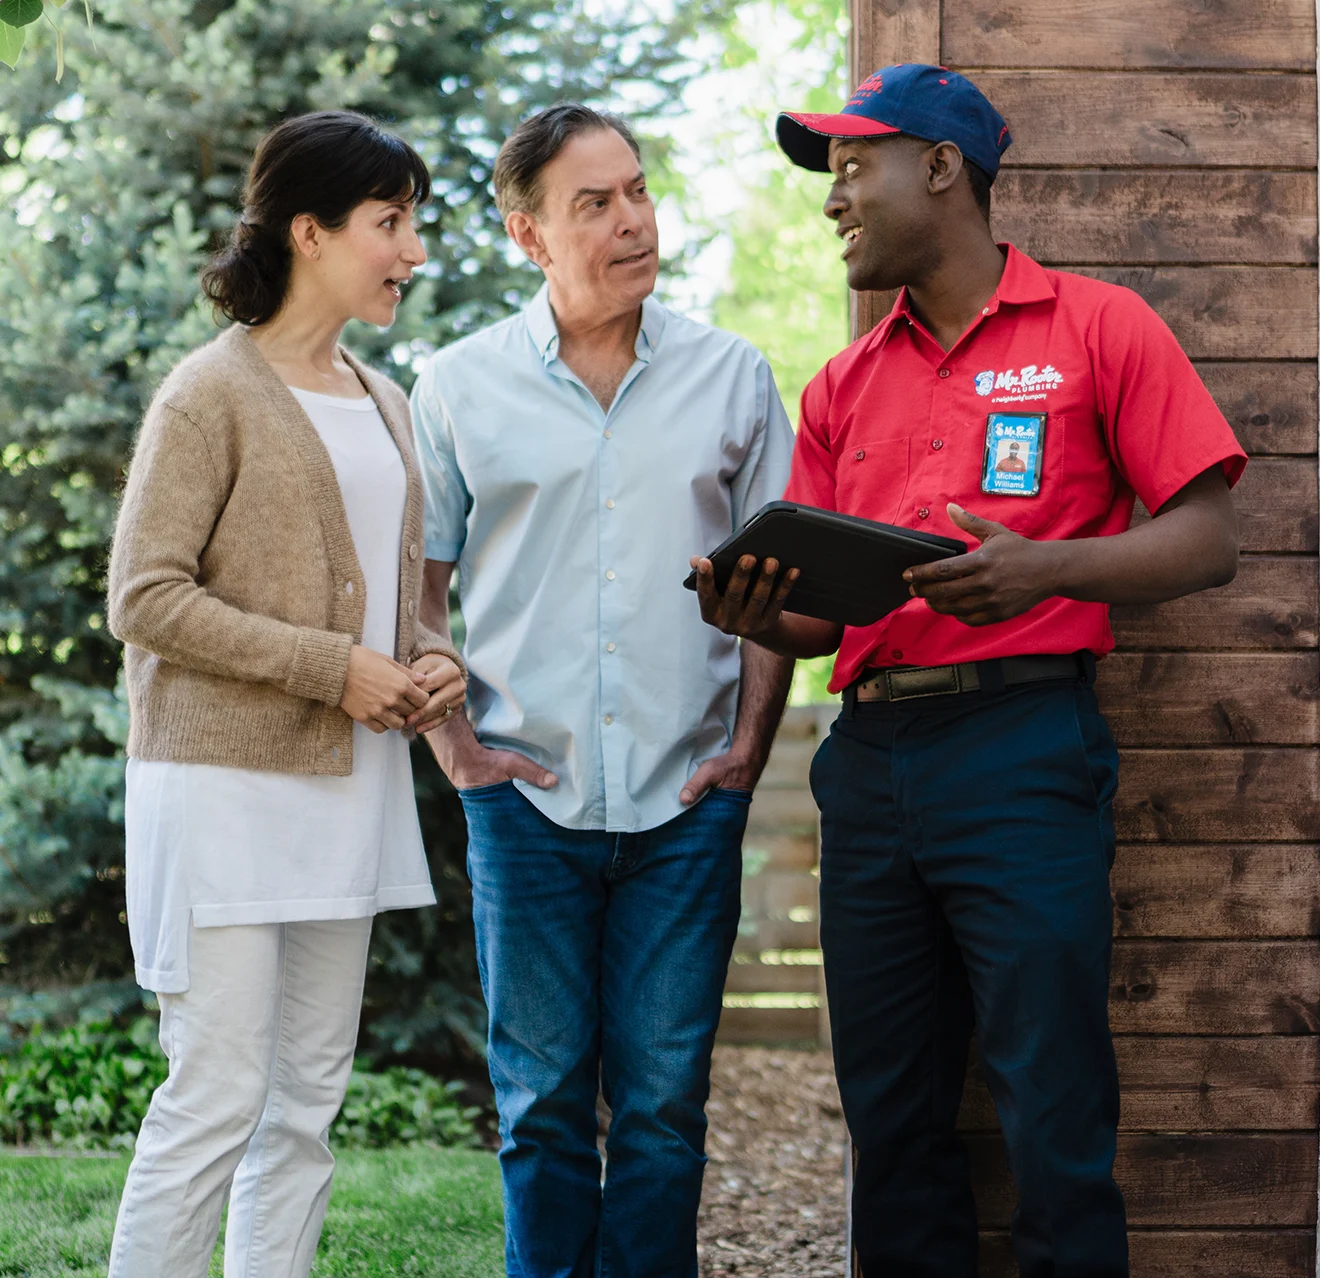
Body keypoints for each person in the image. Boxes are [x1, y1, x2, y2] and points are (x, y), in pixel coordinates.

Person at [691, 64, 1246, 1278]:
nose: (832, 199)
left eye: (852, 168)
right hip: (873, 767)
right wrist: (755, 610)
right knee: (889, 1116)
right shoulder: (840, 385)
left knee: (1052, 1108)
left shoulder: (1101, 328)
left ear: (940, 168)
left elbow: (1208, 538)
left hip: (1025, 750)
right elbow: (817, 629)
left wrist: (1043, 572)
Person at [409, 103, 796, 1277]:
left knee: (668, 1111)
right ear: (529, 235)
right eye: (596, 203)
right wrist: (460, 755)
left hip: (688, 801)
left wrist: (749, 749)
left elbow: (779, 582)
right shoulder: (458, 386)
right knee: (537, 1109)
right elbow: (416, 598)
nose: (635, 220)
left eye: (638, 190)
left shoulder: (733, 377)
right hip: (526, 802)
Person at [105, 110, 466, 1278]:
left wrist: (426, 660)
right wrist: (333, 668)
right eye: (390, 224)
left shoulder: (387, 400)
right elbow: (144, 597)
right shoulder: (208, 393)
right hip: (217, 791)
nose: (411, 253)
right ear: (309, 231)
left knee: (306, 1102)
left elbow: (392, 606)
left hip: (343, 788)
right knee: (215, 1093)